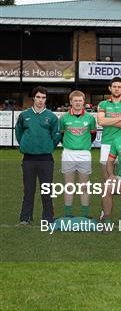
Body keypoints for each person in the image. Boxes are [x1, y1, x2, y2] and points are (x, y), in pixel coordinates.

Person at [15, 86, 60, 225]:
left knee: (46, 190)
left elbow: (56, 136)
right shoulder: (24, 115)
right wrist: (25, 145)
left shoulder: (51, 117)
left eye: (43, 97)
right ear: (33, 98)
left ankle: (48, 218)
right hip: (28, 158)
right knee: (28, 190)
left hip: (46, 159)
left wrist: (47, 147)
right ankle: (25, 218)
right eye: (38, 97)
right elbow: (19, 132)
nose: (41, 100)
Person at [59, 90, 97, 218]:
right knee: (69, 185)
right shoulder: (64, 118)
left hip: (84, 154)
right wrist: (71, 145)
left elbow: (93, 135)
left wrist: (82, 146)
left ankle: (85, 214)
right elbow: (62, 134)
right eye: (75, 100)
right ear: (70, 102)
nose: (77, 103)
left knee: (84, 186)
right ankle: (67, 214)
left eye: (80, 100)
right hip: (68, 154)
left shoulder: (90, 118)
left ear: (83, 102)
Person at [97, 77, 121, 181]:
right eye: (114, 87)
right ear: (110, 88)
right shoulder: (103, 104)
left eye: (119, 87)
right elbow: (101, 122)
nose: (117, 89)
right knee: (107, 177)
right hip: (107, 143)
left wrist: (108, 121)